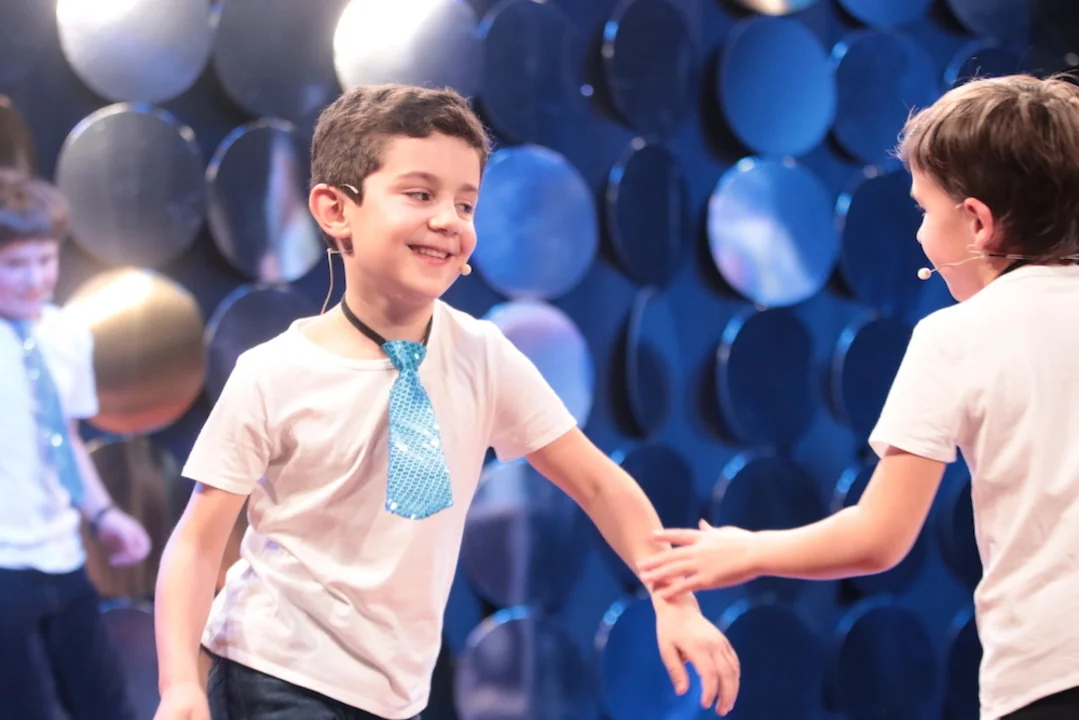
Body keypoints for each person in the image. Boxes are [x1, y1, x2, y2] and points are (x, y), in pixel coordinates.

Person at [153, 84, 741, 720]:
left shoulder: (482, 354)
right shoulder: (274, 372)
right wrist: (180, 683)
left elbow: (600, 484)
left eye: (466, 204)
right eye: (419, 194)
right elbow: (197, 543)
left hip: (394, 691)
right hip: (275, 668)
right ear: (335, 209)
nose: (448, 220)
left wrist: (674, 600)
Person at [637, 73, 1079, 720]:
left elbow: (878, 537)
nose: (920, 235)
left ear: (977, 222)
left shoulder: (955, 336)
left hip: (1049, 675)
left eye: (925, 210)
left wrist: (745, 550)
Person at [0, 168, 152, 719]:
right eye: (15, 264)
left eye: (45, 260)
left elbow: (62, 437)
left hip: (63, 555)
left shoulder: (66, 333)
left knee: (105, 704)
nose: (34, 278)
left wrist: (104, 514)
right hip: (4, 564)